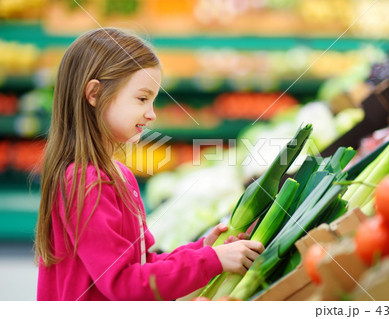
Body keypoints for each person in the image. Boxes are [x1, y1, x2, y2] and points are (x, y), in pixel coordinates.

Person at [35, 28, 264, 301]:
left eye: (153, 100)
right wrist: (211, 261)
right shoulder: (86, 181)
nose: (151, 113)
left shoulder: (119, 175)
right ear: (94, 94)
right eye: (142, 98)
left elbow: (141, 265)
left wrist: (205, 249)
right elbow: (122, 285)